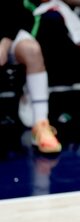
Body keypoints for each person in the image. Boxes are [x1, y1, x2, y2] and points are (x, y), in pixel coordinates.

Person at [0, 1, 61, 153]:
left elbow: (16, 13)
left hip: (9, 34)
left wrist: (4, 43)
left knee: (31, 50)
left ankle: (40, 124)